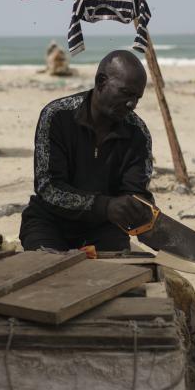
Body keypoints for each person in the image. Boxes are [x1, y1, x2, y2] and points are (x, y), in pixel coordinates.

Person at [20, 50, 154, 252]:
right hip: (50, 222)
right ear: (101, 82)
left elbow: (134, 192)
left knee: (114, 277)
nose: (131, 104)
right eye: (126, 93)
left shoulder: (138, 133)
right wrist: (105, 206)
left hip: (103, 228)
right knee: (47, 270)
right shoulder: (56, 116)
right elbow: (48, 188)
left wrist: (138, 207)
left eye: (137, 98)